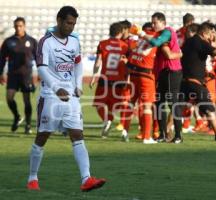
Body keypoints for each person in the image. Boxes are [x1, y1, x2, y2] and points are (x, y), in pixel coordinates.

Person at [27, 6, 106, 191]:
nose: (71, 27)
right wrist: (56, 88)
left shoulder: (74, 42)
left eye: (73, 24)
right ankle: (32, 178)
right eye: (68, 23)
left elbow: (77, 65)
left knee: (78, 135)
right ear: (59, 20)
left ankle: (86, 179)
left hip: (71, 97)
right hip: (50, 97)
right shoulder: (45, 42)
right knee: (42, 136)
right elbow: (41, 68)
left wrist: (78, 85)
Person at [181, 22, 216, 141]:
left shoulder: (189, 42)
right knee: (210, 108)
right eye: (209, 34)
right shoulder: (200, 42)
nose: (210, 37)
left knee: (178, 107)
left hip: (184, 80)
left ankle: (166, 133)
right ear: (203, 33)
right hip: (196, 82)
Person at [140, 12, 183, 144]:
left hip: (171, 71)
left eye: (155, 22)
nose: (153, 25)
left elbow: (157, 42)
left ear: (163, 23)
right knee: (158, 104)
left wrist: (142, 34)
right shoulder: (158, 34)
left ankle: (178, 136)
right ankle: (162, 134)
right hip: (161, 72)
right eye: (152, 22)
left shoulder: (167, 32)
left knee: (172, 103)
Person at [89, 22, 129, 139]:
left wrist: (94, 76)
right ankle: (112, 123)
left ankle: (107, 121)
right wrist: (128, 79)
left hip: (104, 79)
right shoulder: (125, 46)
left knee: (99, 104)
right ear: (120, 33)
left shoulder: (102, 44)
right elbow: (128, 65)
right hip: (119, 81)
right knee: (114, 106)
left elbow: (98, 62)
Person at [0, 17, 37, 134]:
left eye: (20, 26)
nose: (18, 28)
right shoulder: (8, 41)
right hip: (12, 75)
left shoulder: (32, 41)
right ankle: (17, 116)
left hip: (27, 75)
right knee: (9, 98)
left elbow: (38, 59)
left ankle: (28, 125)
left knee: (27, 101)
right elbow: (2, 59)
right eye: (16, 26)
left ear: (24, 26)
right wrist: (1, 73)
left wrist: (40, 74)